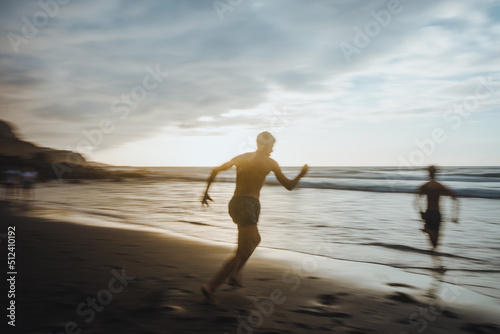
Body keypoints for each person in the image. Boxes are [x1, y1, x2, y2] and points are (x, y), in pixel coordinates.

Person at [200, 131, 308, 303]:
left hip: (235, 203)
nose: (273, 149)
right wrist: (301, 175)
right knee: (241, 251)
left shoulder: (242, 157)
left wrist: (205, 193)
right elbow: (289, 186)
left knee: (255, 240)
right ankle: (211, 287)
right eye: (271, 145)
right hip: (249, 206)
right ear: (264, 145)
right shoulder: (270, 163)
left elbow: (215, 170)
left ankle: (236, 273)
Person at [415, 166, 459, 251]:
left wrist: (420, 212)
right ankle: (436, 261)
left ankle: (428, 230)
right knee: (436, 243)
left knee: (433, 243)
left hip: (428, 213)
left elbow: (416, 201)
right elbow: (455, 198)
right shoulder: (440, 186)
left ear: (428, 173)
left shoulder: (425, 186)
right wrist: (454, 216)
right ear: (436, 173)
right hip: (437, 213)